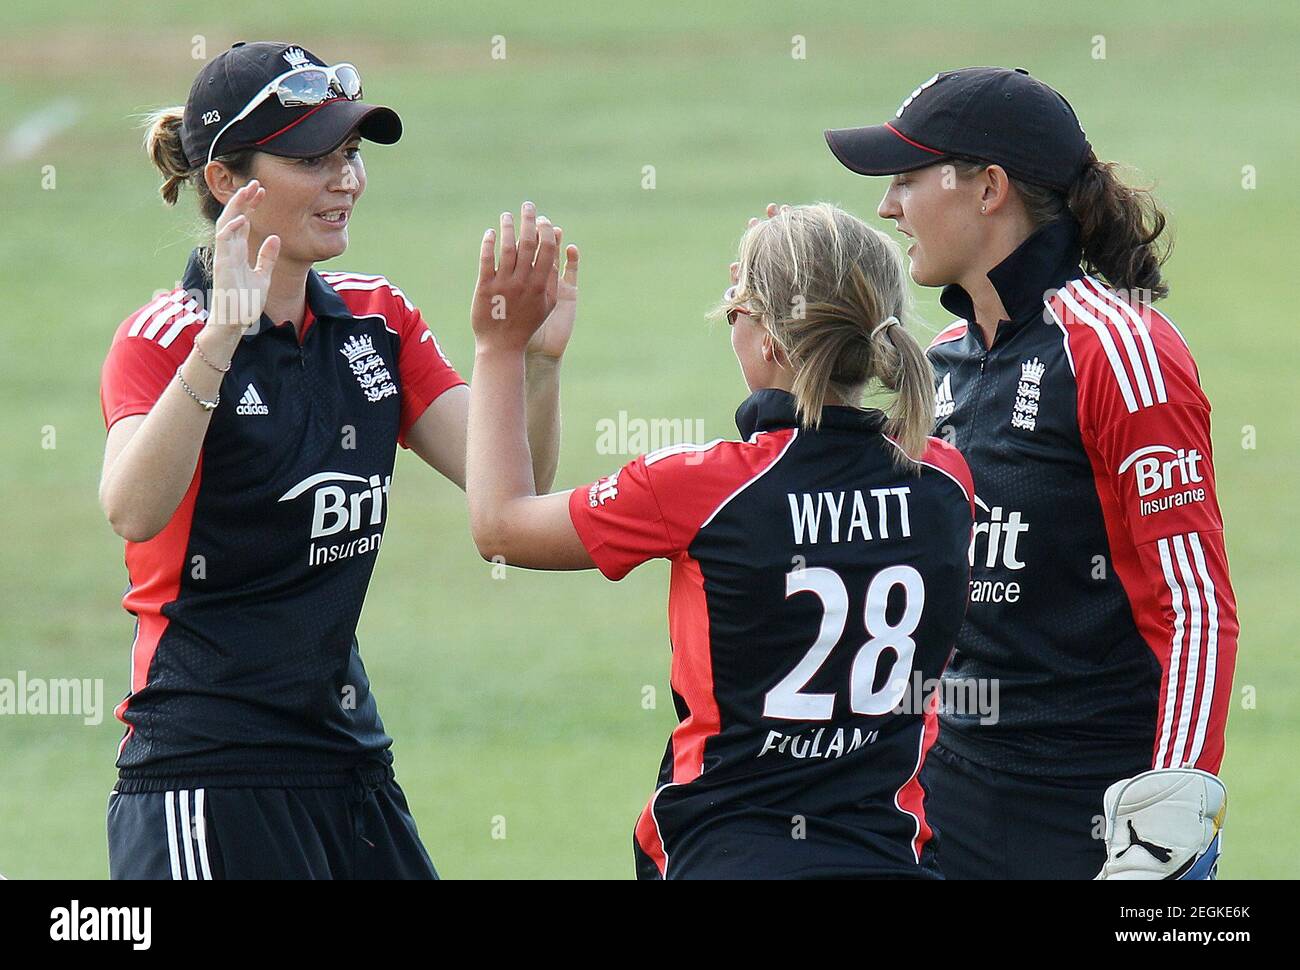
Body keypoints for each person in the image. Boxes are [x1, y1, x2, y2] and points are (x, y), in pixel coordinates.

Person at [98, 41, 575, 879]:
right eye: (313, 159)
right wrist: (222, 340)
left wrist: (529, 364)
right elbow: (133, 509)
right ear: (225, 182)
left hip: (347, 764)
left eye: (350, 154)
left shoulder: (375, 320)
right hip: (208, 774)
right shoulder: (163, 337)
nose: (346, 179)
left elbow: (514, 487)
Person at [463, 202, 976, 879]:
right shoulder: (944, 480)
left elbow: (500, 525)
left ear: (767, 341)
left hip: (725, 856)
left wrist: (507, 350)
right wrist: (794, 266)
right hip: (888, 857)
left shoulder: (699, 488)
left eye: (737, 307)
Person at [824, 66, 1238, 879]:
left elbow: (1194, 605)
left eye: (907, 177)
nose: (887, 205)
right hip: (946, 814)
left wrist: (1169, 815)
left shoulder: (1124, 351)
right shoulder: (939, 367)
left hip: (1099, 827)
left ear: (989, 189)